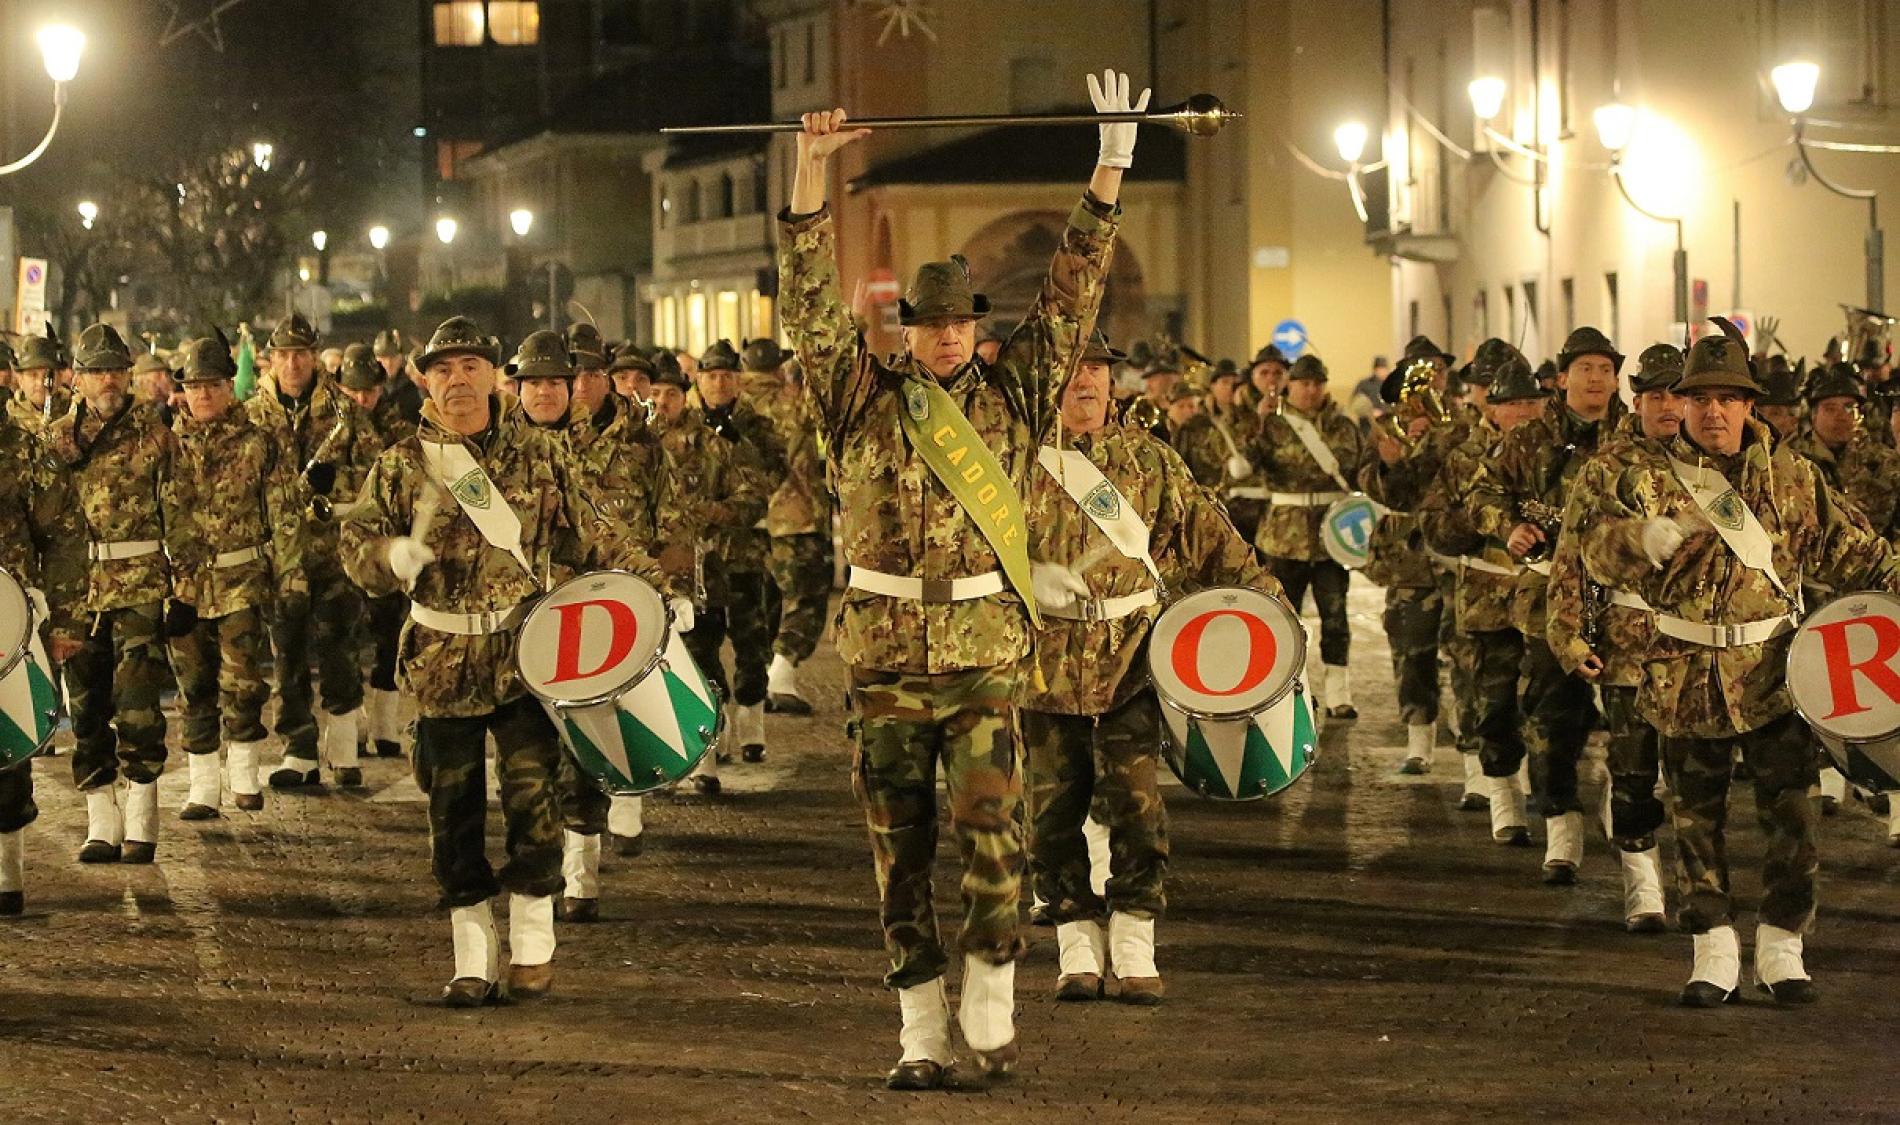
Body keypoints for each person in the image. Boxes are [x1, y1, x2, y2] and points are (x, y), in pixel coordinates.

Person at [778, 68, 1135, 1088]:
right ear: (905, 330)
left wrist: (1106, 171)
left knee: (993, 835)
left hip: (983, 658)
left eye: (958, 323)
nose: (944, 335)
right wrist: (811, 168)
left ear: (976, 327)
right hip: (885, 660)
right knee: (899, 853)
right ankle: (917, 1032)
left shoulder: (1018, 397)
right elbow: (807, 301)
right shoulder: (857, 399)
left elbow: (1070, 296)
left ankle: (990, 979)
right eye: (928, 323)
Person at [340, 315, 678, 1006]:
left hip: (526, 657)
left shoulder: (540, 455)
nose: (457, 381)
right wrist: (384, 557)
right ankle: (472, 950)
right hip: (439, 661)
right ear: (425, 381)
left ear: (497, 377)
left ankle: (532, 939)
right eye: (442, 370)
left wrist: (659, 594)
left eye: (470, 367)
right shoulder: (404, 462)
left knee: (535, 800)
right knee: (451, 810)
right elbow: (356, 542)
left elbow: (596, 536)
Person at [1578, 318, 1900, 1006]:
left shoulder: (1792, 477)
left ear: (1750, 405)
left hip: (1775, 672)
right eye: (1701, 399)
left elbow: (1858, 552)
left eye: (1728, 398)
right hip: (1682, 671)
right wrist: (1638, 537)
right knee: (1697, 819)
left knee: (1794, 815)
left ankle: (1783, 946)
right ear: (1684, 405)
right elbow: (1593, 555)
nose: (1713, 411)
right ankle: (1714, 947)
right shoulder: (1646, 479)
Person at [1021, 330, 1282, 1006]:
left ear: (1114, 384)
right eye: (1074, 370)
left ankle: (1135, 939)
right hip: (1043, 668)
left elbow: (1214, 542)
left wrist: (1278, 618)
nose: (1085, 382)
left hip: (1132, 660)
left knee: (1136, 805)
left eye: (1098, 371)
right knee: (1050, 817)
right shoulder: (1018, 463)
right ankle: (1076, 942)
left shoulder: (1150, 462)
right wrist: (1020, 579)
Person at [1470, 326, 1618, 884]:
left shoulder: (1633, 438)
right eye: (1586, 369)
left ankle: (1628, 824)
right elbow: (1482, 494)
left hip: (1626, 601)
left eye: (1605, 369)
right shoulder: (1530, 440)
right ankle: (1561, 827)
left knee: (1630, 720)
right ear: (1562, 378)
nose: (1596, 379)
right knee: (1553, 718)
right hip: (1548, 601)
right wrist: (1509, 527)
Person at [1544, 344, 1684, 932]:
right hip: (1629, 644)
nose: (1670, 407)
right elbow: (1572, 557)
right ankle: (1643, 888)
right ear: (1638, 399)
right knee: (1632, 770)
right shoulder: (1607, 467)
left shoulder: (1723, 465)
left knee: (1693, 775)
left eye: (1680, 394)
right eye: (1656, 395)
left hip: (1699, 649)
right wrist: (1569, 638)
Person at [44, 324, 187, 864]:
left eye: (116, 370)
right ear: (76, 378)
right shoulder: (56, 440)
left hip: (140, 586)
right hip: (78, 594)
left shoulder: (155, 433)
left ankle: (143, 822)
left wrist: (186, 589)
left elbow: (183, 512)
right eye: (97, 370)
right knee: (85, 709)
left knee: (138, 704)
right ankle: (101, 819)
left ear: (129, 376)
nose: (107, 379)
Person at [165, 335, 307, 819]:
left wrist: (291, 578)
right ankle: (204, 787)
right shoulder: (166, 446)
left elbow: (285, 512)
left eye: (214, 385)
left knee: (243, 682)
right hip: (183, 586)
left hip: (241, 579)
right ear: (182, 390)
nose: (203, 395)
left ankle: (244, 775)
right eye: (195, 386)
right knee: (193, 685)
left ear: (231, 387)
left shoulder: (257, 442)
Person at [248, 313, 380, 789]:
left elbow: (374, 479)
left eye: (300, 354)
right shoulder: (253, 414)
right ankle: (298, 750)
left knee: (339, 650)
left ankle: (343, 747)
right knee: (286, 655)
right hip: (280, 555)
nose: (292, 363)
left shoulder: (346, 412)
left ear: (314, 355)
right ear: (271, 358)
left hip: (334, 552)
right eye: (283, 355)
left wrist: (335, 486)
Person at [1418, 349, 1548, 837]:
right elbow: (1433, 526)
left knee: (1543, 701)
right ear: (1492, 408)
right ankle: (1503, 797)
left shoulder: (1558, 457)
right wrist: (1480, 523)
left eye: (1530, 404)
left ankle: (1544, 795)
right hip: (1486, 600)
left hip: (1544, 600)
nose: (1522, 413)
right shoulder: (1464, 458)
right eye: (1511, 404)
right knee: (1491, 704)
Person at [648, 350, 770, 790]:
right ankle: (661, 755)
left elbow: (753, 497)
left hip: (703, 577)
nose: (661, 402)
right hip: (646, 576)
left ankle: (706, 756)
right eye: (654, 393)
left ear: (686, 396)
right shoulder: (635, 446)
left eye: (670, 393)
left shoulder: (715, 445)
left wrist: (711, 513)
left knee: (702, 662)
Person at [0, 380, 84, 911]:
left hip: (9, 616)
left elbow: (64, 535)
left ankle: (7, 874)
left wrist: (67, 619)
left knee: (7, 742)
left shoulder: (23, 450)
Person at [1361, 344, 1463, 774]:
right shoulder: (1386, 428)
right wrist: (1393, 463)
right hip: (1409, 556)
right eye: (1423, 374)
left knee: (1466, 651)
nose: (1434, 379)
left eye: (1439, 371)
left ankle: (1471, 747)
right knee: (1411, 648)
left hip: (1458, 554)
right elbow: (1371, 484)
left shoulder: (1463, 424)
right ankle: (1419, 740)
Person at [1249, 353, 1366, 718]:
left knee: (1335, 615)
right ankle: (1287, 690)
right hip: (1284, 535)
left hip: (1330, 535)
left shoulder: (1343, 426)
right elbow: (1246, 462)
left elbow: (1357, 468)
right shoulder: (1275, 424)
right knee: (1285, 616)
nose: (1311, 390)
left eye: (1317, 383)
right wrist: (1259, 422)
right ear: (1290, 386)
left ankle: (1338, 692)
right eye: (1303, 383)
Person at [687, 339, 786, 763]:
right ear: (699, 380)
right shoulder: (686, 426)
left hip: (745, 553)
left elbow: (772, 475)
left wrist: (738, 443)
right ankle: (717, 726)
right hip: (701, 559)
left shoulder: (756, 425)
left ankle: (752, 723)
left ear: (739, 380)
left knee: (752, 641)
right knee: (701, 645)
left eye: (727, 374)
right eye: (711, 375)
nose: (719, 382)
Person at [740, 339, 833, 716]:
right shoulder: (794, 403)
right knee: (806, 598)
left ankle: (758, 686)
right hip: (795, 519)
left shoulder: (729, 404)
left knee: (762, 604)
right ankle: (780, 676)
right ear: (779, 369)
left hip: (747, 520)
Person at [7, 329, 71, 439]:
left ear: (60, 377)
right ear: (20, 379)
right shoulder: (9, 417)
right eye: (33, 375)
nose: (40, 382)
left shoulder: (74, 410)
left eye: (48, 374)